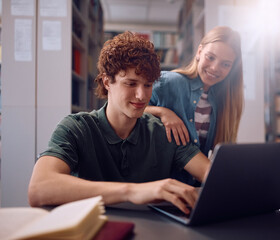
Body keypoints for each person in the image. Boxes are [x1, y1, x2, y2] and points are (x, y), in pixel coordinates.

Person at [28, 31, 210, 215]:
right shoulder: (76, 128)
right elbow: (39, 188)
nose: (141, 95)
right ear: (107, 82)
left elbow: (213, 177)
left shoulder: (163, 132)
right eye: (131, 84)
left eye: (148, 85)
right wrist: (131, 191)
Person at [145, 26, 244, 185]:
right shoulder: (168, 82)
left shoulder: (224, 102)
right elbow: (124, 110)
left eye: (225, 64)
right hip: (158, 187)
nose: (214, 68)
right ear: (199, 52)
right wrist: (162, 112)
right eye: (210, 57)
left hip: (195, 190)